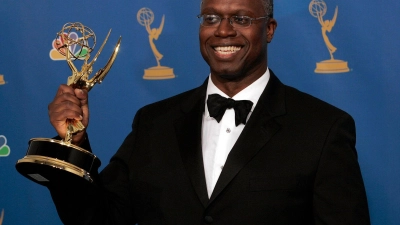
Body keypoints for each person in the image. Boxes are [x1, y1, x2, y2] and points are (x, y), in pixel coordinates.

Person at [47, 0, 370, 224]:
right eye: (211, 18)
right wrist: (72, 142)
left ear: (269, 29)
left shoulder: (323, 127)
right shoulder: (154, 122)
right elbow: (100, 218)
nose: (224, 31)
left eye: (241, 19)